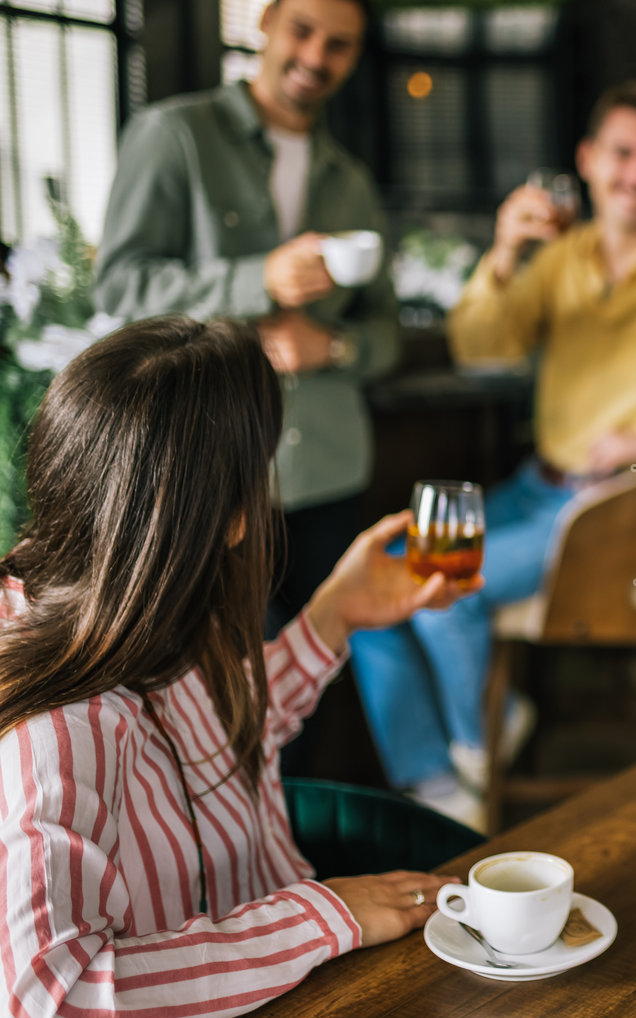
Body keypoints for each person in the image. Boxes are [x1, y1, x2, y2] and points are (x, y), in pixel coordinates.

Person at [0, 317, 470, 1018]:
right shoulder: (57, 725)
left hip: (285, 1003)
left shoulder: (149, 605)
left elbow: (214, 739)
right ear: (228, 518)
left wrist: (333, 616)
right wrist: (321, 915)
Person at [347, 81, 636, 828]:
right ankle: (444, 771)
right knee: (379, 582)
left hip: (623, 509)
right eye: (624, 153)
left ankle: (472, 764)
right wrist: (504, 252)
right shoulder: (561, 259)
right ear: (588, 160)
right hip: (538, 490)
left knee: (439, 587)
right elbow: (482, 347)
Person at [93, 0, 397, 638]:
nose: (315, 57)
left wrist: (333, 347)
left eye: (339, 44)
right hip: (210, 470)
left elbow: (386, 332)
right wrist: (257, 279)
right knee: (222, 673)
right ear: (265, 23)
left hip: (331, 470)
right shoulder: (174, 135)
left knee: (323, 664)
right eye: (302, 31)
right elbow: (120, 286)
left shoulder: (352, 180)